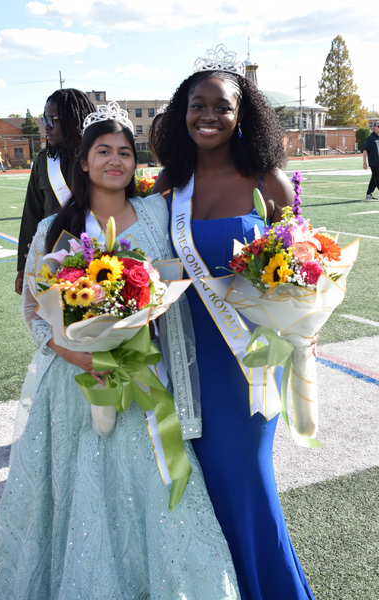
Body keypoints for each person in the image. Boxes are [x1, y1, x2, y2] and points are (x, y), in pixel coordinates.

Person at [0, 103, 240, 600]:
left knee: (152, 488)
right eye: (103, 151)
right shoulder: (54, 229)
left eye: (125, 151)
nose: (115, 161)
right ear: (83, 161)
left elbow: (176, 272)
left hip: (145, 377)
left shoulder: (156, 214)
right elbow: (34, 309)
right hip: (74, 383)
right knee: (80, 492)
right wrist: (69, 349)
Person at [153, 44, 316, 599]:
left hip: (247, 362)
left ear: (241, 115)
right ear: (184, 112)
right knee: (205, 487)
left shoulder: (267, 180)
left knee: (248, 479)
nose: (208, 115)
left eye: (221, 106)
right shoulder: (168, 188)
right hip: (185, 359)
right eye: (197, 105)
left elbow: (306, 262)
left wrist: (302, 319)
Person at [15, 88, 96, 295]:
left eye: (52, 119)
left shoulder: (98, 157)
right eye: (44, 119)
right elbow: (31, 215)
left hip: (95, 254)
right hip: (51, 256)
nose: (46, 127)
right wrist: (22, 267)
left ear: (73, 121)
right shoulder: (44, 160)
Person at [362, 120, 379, 200]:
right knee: (377, 178)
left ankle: (369, 194)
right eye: (378, 126)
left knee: (374, 179)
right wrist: (364, 162)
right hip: (374, 163)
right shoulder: (370, 138)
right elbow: (365, 151)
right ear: (375, 127)